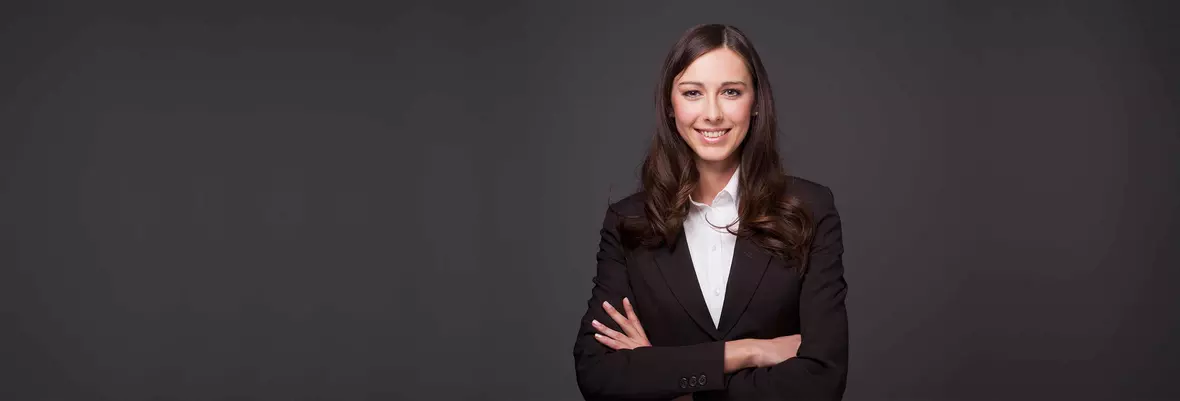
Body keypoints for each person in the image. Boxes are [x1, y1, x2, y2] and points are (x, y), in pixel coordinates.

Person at [571, 23, 849, 401]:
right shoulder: (628, 223)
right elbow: (597, 374)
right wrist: (746, 352)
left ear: (755, 104)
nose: (713, 113)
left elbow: (821, 381)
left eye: (731, 92)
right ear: (671, 107)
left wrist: (663, 371)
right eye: (693, 93)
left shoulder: (810, 209)